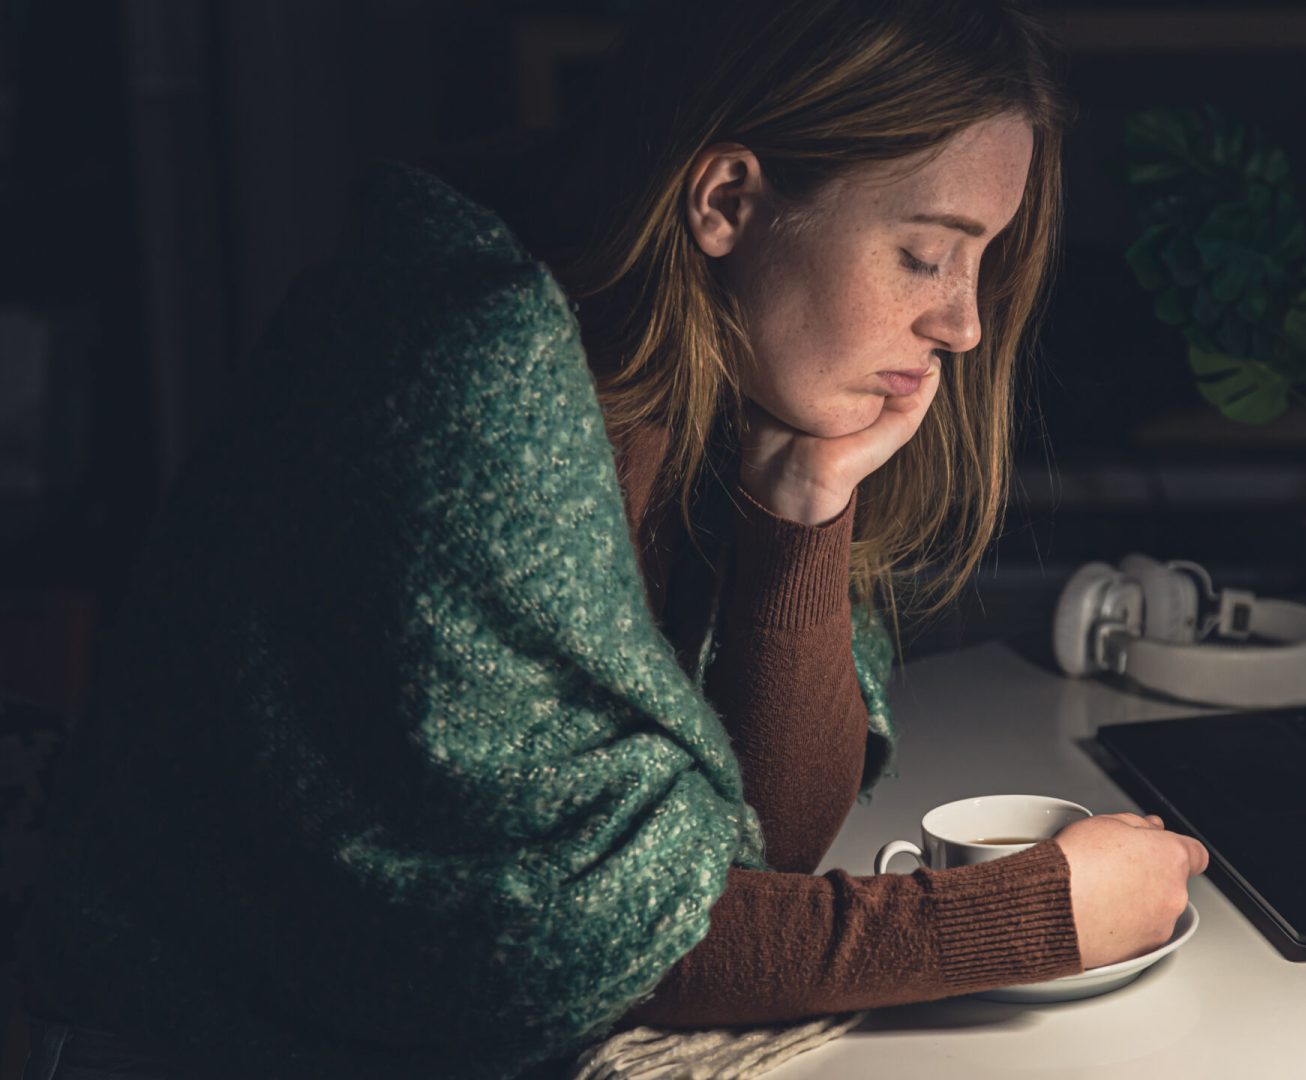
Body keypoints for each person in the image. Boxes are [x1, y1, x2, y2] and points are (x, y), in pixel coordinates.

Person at [22, 1, 1207, 1077]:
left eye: (981, 261)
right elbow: (574, 939)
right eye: (925, 252)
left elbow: (761, 854)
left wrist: (802, 505)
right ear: (728, 200)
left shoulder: (701, 376)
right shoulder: (472, 370)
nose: (960, 322)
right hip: (162, 1042)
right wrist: (1031, 917)